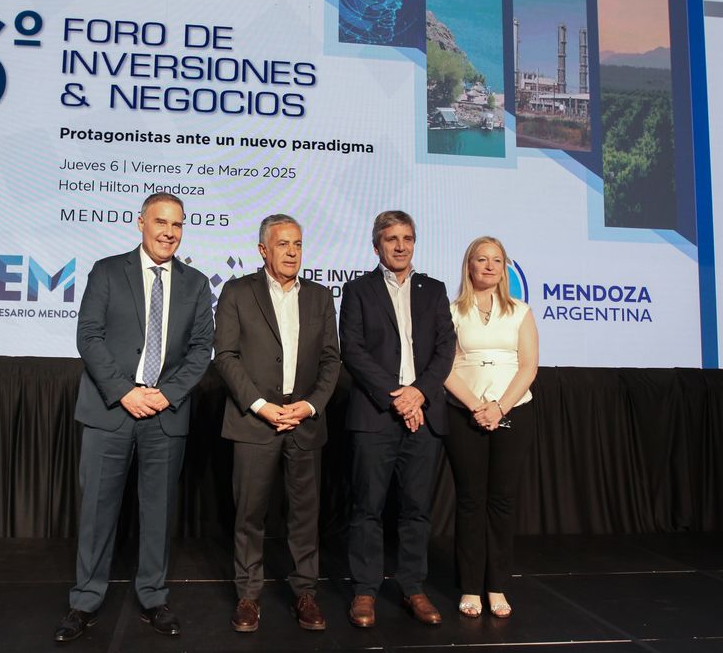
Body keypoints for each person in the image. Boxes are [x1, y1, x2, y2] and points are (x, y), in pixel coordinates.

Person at [54, 193, 214, 643]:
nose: (169, 232)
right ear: (140, 222)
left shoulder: (196, 283)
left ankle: (154, 597)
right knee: (97, 513)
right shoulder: (107, 271)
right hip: (111, 411)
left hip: (165, 414)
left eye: (178, 224)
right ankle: (84, 601)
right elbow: (89, 335)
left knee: (158, 513)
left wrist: (165, 395)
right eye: (161, 222)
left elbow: (203, 349)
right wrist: (125, 392)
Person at [214, 214, 341, 633]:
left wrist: (309, 406)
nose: (292, 252)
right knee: (249, 515)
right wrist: (259, 405)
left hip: (303, 421)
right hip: (255, 421)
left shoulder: (321, 297)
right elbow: (226, 356)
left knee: (305, 516)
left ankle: (305, 593)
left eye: (298, 244)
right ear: (263, 250)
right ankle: (249, 597)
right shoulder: (237, 291)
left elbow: (330, 360)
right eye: (283, 244)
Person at [339, 210, 455, 628]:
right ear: (377, 246)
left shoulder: (435, 290)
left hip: (425, 414)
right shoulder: (357, 290)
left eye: (407, 238)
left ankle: (413, 588)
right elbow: (351, 349)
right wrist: (398, 397)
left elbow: (446, 349)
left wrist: (419, 393)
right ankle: (365, 591)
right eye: (392, 239)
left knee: (416, 508)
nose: (401, 245)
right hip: (375, 416)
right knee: (367, 508)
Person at [442, 236, 538, 620]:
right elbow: (444, 367)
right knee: (469, 501)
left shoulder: (520, 311)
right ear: (469, 266)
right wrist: (476, 407)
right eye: (481, 259)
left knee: (502, 501)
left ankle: (496, 585)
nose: (489, 266)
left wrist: (499, 407)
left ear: (504, 267)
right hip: (465, 412)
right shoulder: (451, 312)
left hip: (512, 411)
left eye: (496, 260)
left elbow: (529, 366)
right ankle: (469, 588)